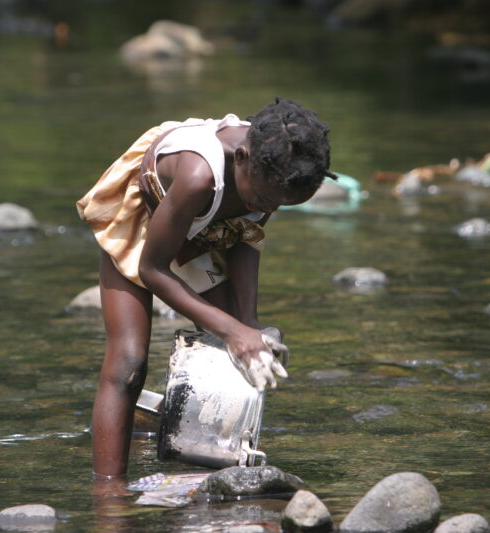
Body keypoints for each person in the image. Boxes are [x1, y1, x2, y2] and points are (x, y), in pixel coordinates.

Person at [76, 97, 334, 480]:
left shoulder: (274, 173)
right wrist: (232, 330)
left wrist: (250, 322)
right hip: (145, 218)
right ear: (242, 157)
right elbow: (152, 269)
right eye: (264, 199)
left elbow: (247, 235)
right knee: (129, 363)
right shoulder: (200, 174)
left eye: (279, 204)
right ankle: (109, 494)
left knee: (235, 357)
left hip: (204, 229)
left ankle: (189, 445)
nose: (267, 207)